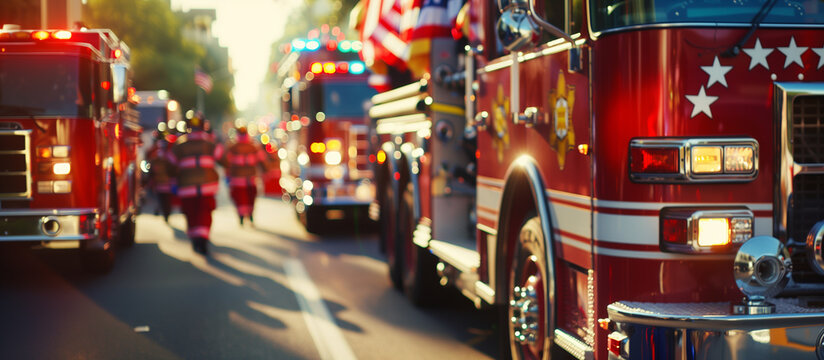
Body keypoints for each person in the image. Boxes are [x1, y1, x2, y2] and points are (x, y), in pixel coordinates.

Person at [168, 114, 220, 255]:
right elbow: (223, 159)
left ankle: (195, 238)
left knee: (191, 213)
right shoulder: (211, 143)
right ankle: (202, 238)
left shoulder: (179, 144)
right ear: (204, 126)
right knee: (204, 212)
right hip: (207, 186)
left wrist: (173, 179)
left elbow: (171, 165)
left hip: (186, 187)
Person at [220, 126, 267, 225]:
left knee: (239, 198)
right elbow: (262, 159)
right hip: (251, 178)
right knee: (250, 197)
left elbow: (225, 161)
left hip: (237, 178)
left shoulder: (232, 147)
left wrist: (227, 173)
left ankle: (241, 215)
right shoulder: (253, 146)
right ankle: (250, 214)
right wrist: (266, 170)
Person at [147, 132, 176, 222]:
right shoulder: (166, 155)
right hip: (164, 182)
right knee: (164, 199)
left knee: (164, 199)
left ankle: (165, 212)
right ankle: (165, 213)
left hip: (164, 182)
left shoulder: (158, 155)